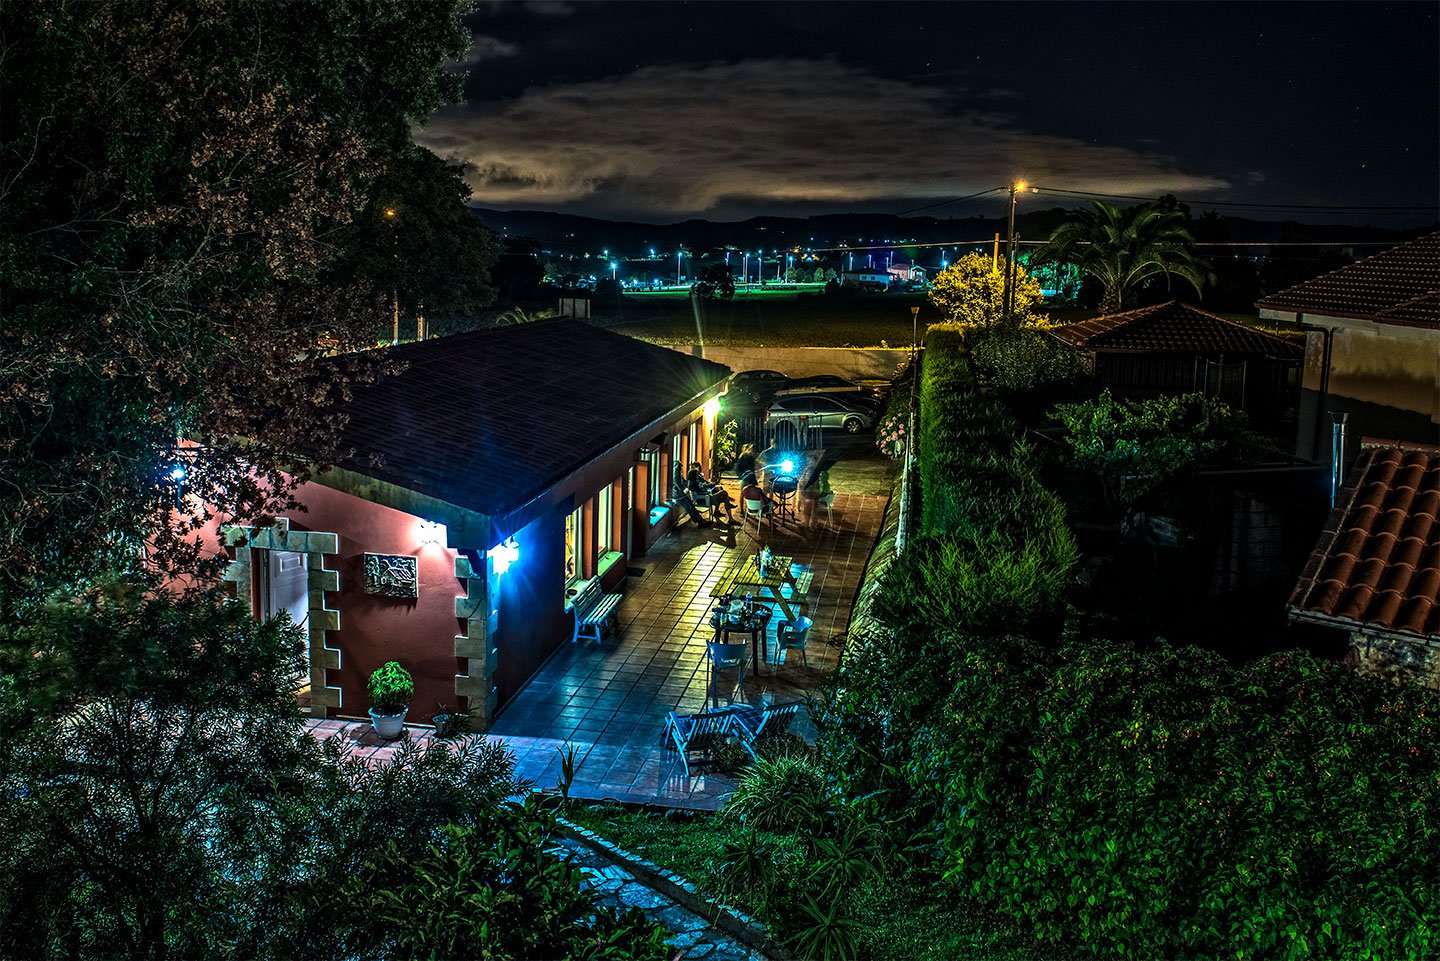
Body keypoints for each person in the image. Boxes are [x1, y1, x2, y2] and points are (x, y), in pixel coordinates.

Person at [670, 462, 710, 527]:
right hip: (678, 495)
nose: (681, 469)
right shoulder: (676, 474)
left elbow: (683, 482)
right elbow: (678, 484)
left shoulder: (678, 474)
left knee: (691, 505)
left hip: (680, 494)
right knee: (689, 507)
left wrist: (686, 487)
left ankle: (700, 520)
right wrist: (684, 489)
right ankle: (700, 521)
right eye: (680, 467)